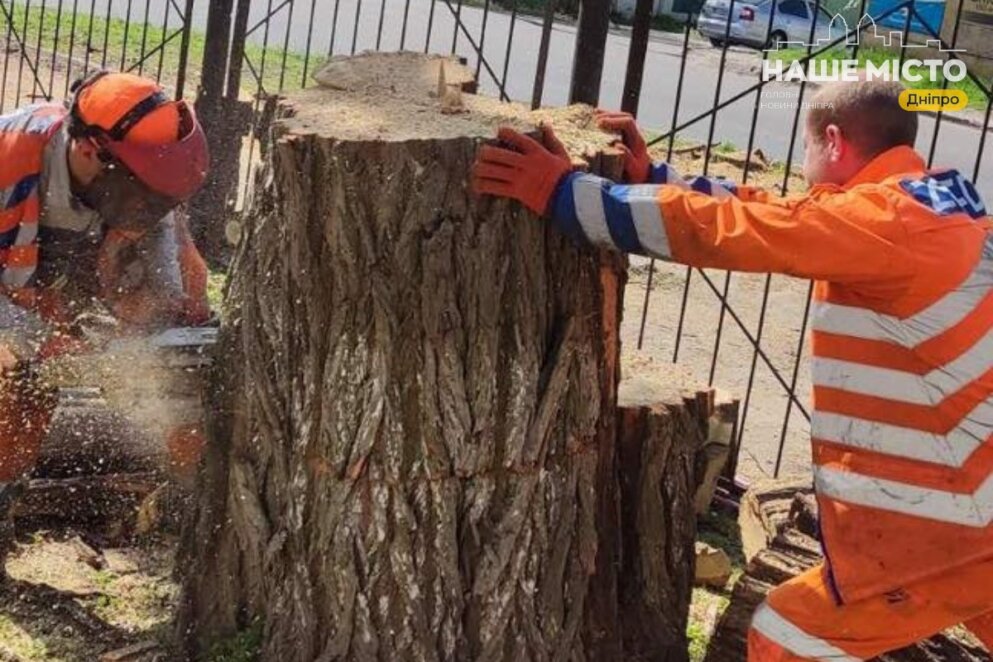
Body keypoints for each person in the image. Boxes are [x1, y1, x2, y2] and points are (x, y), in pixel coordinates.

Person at [474, 80, 993, 660]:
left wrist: (565, 193)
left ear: (833, 141)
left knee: (784, 636)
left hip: (948, 529)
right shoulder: (928, 206)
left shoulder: (883, 221)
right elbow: (777, 210)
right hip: (977, 502)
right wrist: (654, 177)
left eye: (805, 148)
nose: (801, 166)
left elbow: (733, 232)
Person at [0, 71, 210, 574]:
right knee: (15, 388)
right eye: (143, 195)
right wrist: (29, 339)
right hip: (14, 296)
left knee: (180, 376)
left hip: (47, 290)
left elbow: (162, 256)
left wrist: (158, 311)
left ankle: (192, 514)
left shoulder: (135, 181)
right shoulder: (10, 160)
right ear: (94, 150)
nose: (149, 209)